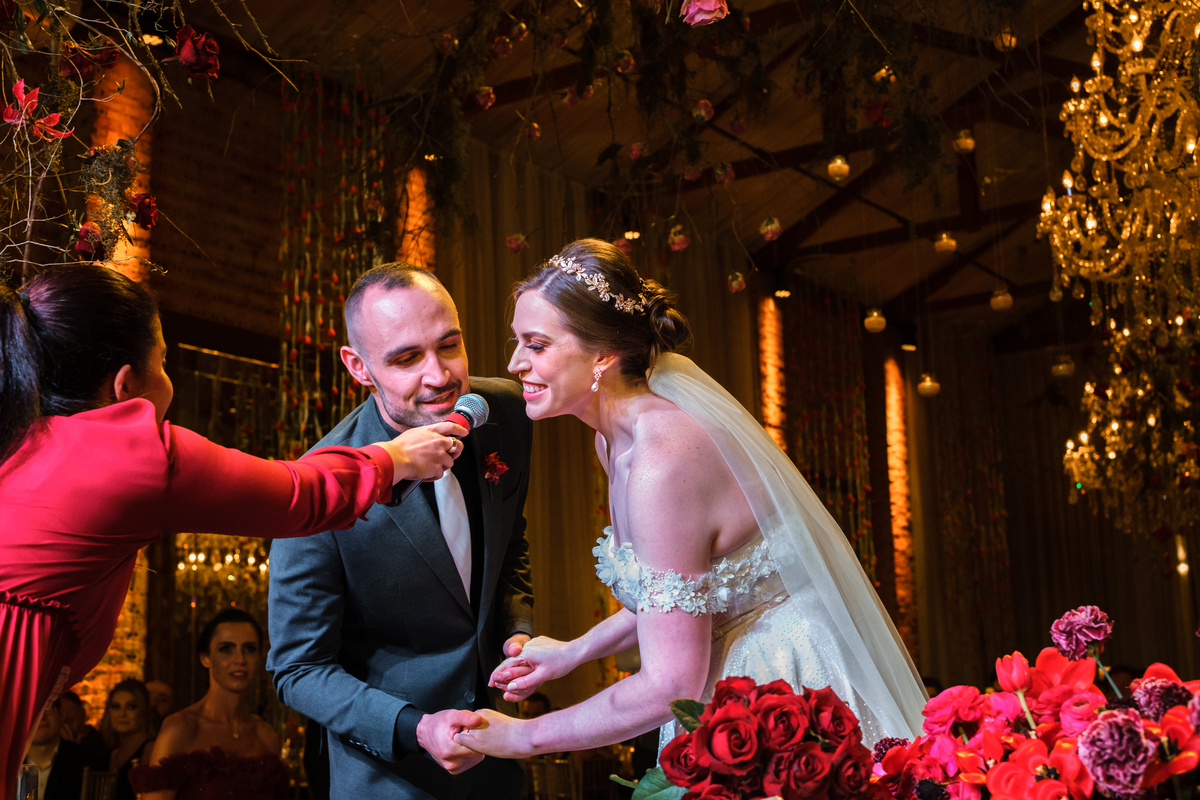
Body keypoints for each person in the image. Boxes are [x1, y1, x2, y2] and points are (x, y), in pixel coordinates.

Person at [0, 264, 467, 798]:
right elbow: (300, 495)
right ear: (125, 387)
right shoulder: (124, 451)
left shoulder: (20, 439)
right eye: (164, 364)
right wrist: (394, 458)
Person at [453, 239, 928, 761]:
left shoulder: (662, 460)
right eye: (517, 341)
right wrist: (573, 652)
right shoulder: (613, 440)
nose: (515, 362)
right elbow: (680, 595)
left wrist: (523, 737)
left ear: (604, 353)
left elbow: (670, 683)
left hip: (779, 681)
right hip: (721, 679)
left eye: (537, 345)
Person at [267, 262, 535, 799]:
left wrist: (517, 633)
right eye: (407, 358)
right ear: (358, 367)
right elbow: (298, 668)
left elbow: (509, 547)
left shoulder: (505, 412)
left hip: (498, 764)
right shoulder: (319, 487)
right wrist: (416, 727)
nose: (439, 376)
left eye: (450, 346)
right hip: (388, 778)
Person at [129, 609, 290, 799]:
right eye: (226, 649)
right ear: (205, 658)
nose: (240, 660)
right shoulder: (181, 728)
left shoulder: (266, 737)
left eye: (249, 649)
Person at [22, 698, 106, 800]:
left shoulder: (86, 762)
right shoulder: (10, 765)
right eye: (32, 710)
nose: (41, 716)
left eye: (47, 707)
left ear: (61, 714)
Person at [99, 679, 156, 800]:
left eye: (131, 707)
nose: (122, 714)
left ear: (143, 711)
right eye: (116, 707)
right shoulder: (112, 753)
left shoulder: (150, 749)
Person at [57, 691, 109, 766]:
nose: (64, 728)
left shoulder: (99, 743)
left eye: (69, 722)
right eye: (60, 723)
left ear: (82, 714)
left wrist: (71, 749)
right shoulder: (53, 742)